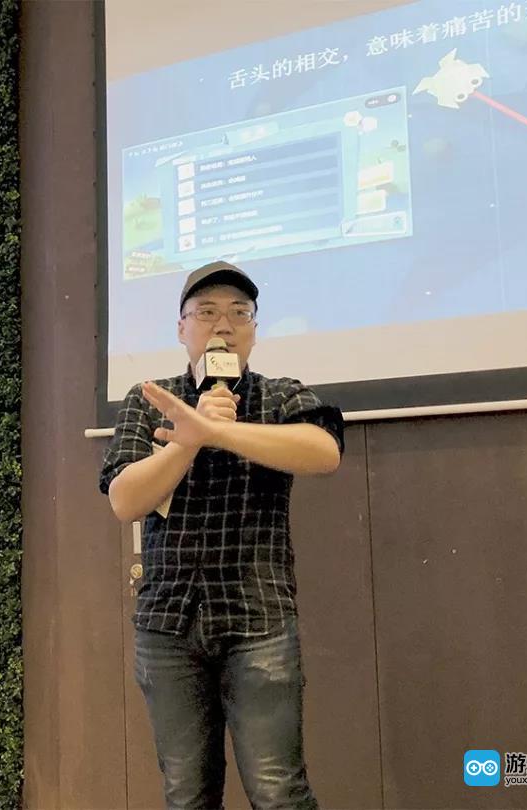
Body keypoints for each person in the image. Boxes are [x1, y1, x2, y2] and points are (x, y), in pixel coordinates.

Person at [99, 260, 344, 810]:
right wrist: (190, 437)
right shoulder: (151, 398)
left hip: (258, 620)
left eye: (239, 313)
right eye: (206, 312)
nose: (224, 325)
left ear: (254, 329)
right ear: (181, 328)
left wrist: (222, 431)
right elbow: (125, 500)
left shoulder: (280, 395)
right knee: (187, 795)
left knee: (279, 792)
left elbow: (325, 452)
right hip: (168, 623)